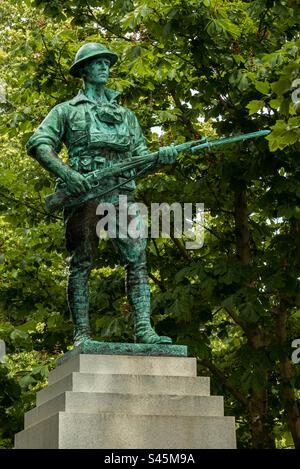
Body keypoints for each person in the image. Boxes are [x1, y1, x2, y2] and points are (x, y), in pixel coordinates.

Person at [26, 42, 177, 346]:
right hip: (84, 195)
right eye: (97, 63)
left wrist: (161, 157)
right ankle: (82, 333)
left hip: (121, 194)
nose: (105, 67)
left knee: (137, 260)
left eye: (107, 63)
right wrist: (68, 175)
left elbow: (141, 159)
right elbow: (38, 144)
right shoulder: (66, 111)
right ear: (83, 70)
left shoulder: (127, 116)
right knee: (81, 262)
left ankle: (144, 329)